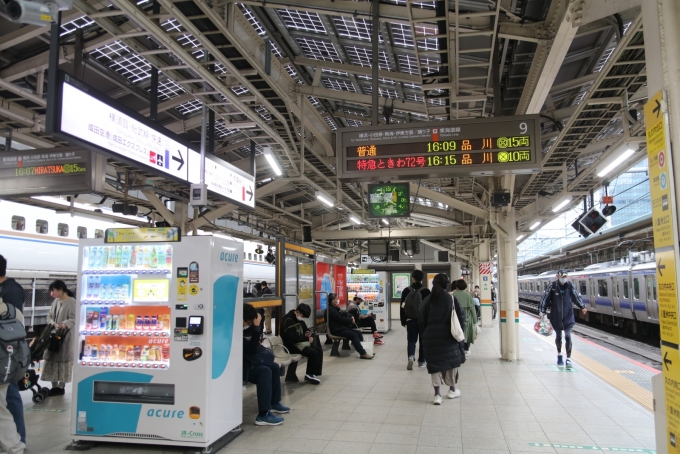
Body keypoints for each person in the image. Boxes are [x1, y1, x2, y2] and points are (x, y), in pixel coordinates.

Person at [419, 273, 465, 405]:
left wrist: (425, 334)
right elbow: (460, 317)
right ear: (447, 284)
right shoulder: (451, 298)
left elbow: (421, 319)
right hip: (448, 336)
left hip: (431, 338)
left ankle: (437, 395)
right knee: (450, 363)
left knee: (435, 366)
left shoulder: (428, 299)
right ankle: (452, 390)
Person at [243, 303, 290, 425]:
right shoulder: (233, 330)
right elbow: (251, 349)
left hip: (248, 362)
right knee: (264, 371)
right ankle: (263, 414)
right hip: (241, 367)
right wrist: (257, 328)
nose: (248, 325)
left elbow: (251, 346)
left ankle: (274, 402)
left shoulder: (245, 328)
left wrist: (255, 332)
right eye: (248, 322)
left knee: (273, 366)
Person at [0, 255, 26, 446]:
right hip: (4, 353)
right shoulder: (6, 289)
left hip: (8, 354)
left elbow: (12, 327)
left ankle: (19, 440)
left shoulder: (10, 291)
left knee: (11, 397)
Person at [538, 270, 587, 369]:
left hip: (568, 316)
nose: (564, 278)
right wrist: (542, 311)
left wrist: (582, 306)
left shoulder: (570, 286)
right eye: (562, 276)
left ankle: (568, 359)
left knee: (568, 336)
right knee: (559, 336)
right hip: (556, 317)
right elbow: (545, 299)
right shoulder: (552, 287)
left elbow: (576, 296)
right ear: (557, 276)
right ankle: (559, 355)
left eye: (565, 276)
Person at [42, 280, 76, 396]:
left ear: (60, 290)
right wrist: (53, 323)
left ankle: (61, 387)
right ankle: (54, 386)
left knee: (63, 360)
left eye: (53, 291)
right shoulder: (56, 301)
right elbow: (49, 316)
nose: (51, 293)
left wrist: (64, 324)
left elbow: (74, 318)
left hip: (65, 337)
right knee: (51, 358)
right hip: (53, 335)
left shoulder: (71, 302)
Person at [281, 303, 323, 384]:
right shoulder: (288, 321)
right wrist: (306, 337)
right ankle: (309, 374)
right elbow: (292, 338)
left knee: (318, 350)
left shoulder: (298, 318)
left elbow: (305, 329)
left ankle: (313, 373)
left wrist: (308, 333)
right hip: (290, 345)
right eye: (302, 316)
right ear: (297, 312)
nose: (302, 318)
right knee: (313, 352)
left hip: (298, 343)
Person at [327, 293, 373, 359]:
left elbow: (344, 313)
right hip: (337, 330)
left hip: (341, 328)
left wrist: (351, 316)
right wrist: (350, 320)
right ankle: (363, 353)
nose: (338, 300)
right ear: (332, 301)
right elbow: (340, 319)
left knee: (358, 333)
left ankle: (365, 350)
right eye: (336, 299)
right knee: (353, 335)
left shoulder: (335, 308)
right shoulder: (331, 310)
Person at [400, 270, 431, 370]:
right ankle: (422, 361)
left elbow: (402, 306)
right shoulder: (426, 291)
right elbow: (429, 307)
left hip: (410, 319)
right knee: (423, 341)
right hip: (422, 320)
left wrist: (403, 320)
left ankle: (411, 356)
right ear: (422, 279)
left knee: (411, 340)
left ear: (412, 278)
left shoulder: (406, 290)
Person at [452, 279, 477, 356]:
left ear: (457, 287)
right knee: (467, 334)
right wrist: (475, 321)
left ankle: (458, 349)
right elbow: (472, 309)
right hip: (467, 318)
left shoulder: (453, 295)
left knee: (457, 333)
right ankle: (466, 349)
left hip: (456, 318)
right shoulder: (468, 295)